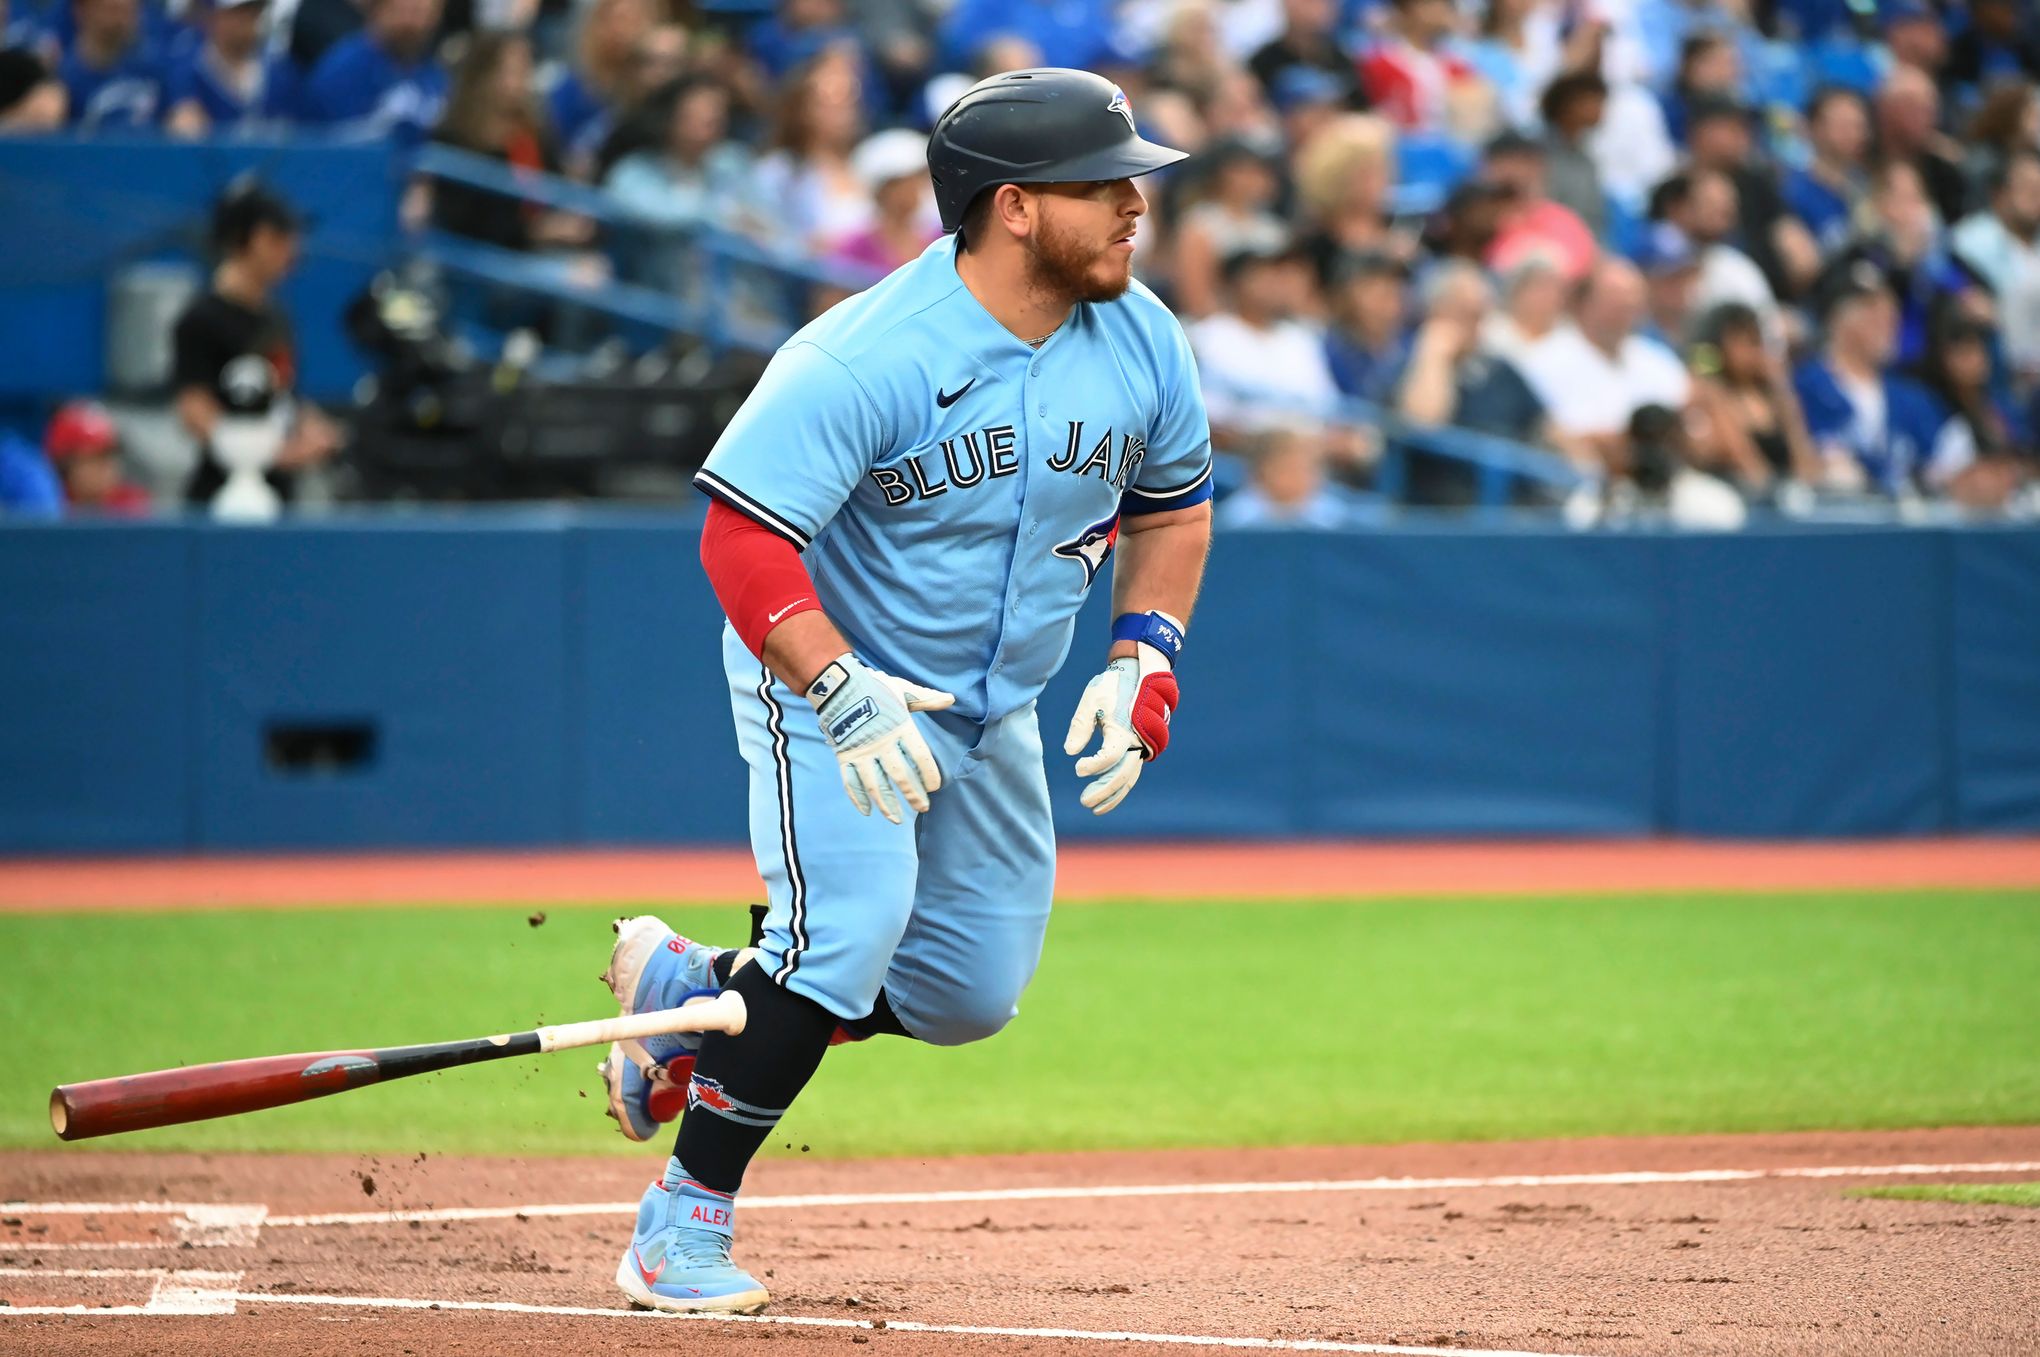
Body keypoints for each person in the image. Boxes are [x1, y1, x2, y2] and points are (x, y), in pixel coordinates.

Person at [594, 68, 1211, 1317]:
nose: (1137, 203)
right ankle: (679, 1225)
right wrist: (835, 683)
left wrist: (1145, 651)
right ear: (1016, 208)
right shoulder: (865, 352)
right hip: (826, 679)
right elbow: (741, 539)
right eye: (1106, 183)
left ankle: (692, 989)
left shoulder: (1143, 334)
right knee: (846, 933)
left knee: (967, 992)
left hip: (997, 708)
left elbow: (1173, 508)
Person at [173, 184, 343, 507]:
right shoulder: (201, 319)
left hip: (280, 496)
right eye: (275, 238)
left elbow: (284, 393)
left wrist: (314, 430)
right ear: (242, 241)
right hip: (222, 497)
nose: (290, 250)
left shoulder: (277, 317)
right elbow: (194, 409)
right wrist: (271, 455)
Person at [1519, 256, 1692, 474]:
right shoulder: (1542, 360)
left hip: (1664, 477)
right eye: (1615, 298)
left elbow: (1689, 419)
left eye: (1633, 297)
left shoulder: (1656, 358)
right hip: (1575, 483)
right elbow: (1547, 435)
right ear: (1583, 302)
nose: (1627, 305)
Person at [1792, 263, 1948, 495]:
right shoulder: (1803, 387)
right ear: (1837, 318)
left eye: (1890, 309)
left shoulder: (1914, 399)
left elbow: (1942, 468)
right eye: (1871, 309)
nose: (1888, 319)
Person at [1189, 240, 1339, 437]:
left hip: (1306, 449)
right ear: (1235, 283)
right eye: (1261, 274)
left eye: (1276, 275)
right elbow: (1202, 417)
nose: (1273, 283)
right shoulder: (1206, 336)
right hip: (1237, 453)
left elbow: (1327, 407)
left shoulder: (1301, 339)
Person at [1687, 301, 1822, 491]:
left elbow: (1804, 459)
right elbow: (1745, 461)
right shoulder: (1708, 396)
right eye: (1737, 341)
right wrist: (1712, 393)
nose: (1748, 352)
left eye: (1753, 340)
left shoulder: (1775, 397)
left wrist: (1781, 389)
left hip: (1785, 495)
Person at [1916, 311, 2031, 509]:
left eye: (1979, 351)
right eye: (1964, 353)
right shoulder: (1934, 408)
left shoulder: (1999, 405)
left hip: (2012, 498)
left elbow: (2022, 451)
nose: (1975, 361)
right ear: (1943, 360)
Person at [1170, 138, 1288, 320]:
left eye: (1261, 170)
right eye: (1245, 170)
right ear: (1221, 174)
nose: (1256, 178)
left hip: (1269, 328)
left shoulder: (1274, 229)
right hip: (1216, 327)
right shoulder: (1200, 225)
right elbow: (1196, 299)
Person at [301, 0, 448, 142]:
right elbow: (329, 145)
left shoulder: (433, 74)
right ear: (378, 11)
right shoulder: (345, 69)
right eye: (402, 10)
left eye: (420, 13)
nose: (410, 23)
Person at [545, 0, 653, 173]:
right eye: (618, 19)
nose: (624, 31)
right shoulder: (571, 87)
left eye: (634, 21)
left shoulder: (649, 92)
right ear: (599, 25)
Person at [1357, 0, 1490, 138]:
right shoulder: (1378, 63)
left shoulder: (1458, 64)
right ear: (1406, 10)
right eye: (1430, 4)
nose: (1439, 10)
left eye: (1444, 4)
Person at [163, 0, 295, 135]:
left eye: (253, 12)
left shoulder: (279, 70)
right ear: (215, 16)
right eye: (238, 13)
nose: (247, 21)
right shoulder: (188, 70)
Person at [825, 127, 940, 275]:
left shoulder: (939, 239)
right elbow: (833, 295)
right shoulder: (854, 246)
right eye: (904, 183)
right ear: (883, 191)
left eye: (917, 180)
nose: (915, 190)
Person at [1783, 86, 1872, 252]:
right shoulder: (1793, 192)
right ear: (1814, 127)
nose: (1853, 133)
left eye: (1858, 125)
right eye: (1843, 125)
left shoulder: (1869, 185)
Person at [1214, 422, 1351, 527]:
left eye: (1308, 467)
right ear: (1262, 469)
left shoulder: (1336, 519)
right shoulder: (1236, 518)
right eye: (1289, 467)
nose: (1299, 475)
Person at [57, 0, 164, 129]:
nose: (121, 20)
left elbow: (181, 114)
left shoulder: (154, 66)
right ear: (83, 12)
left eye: (128, 11)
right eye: (113, 10)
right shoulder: (64, 77)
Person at [1321, 250, 1410, 402]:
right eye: (1380, 292)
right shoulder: (1328, 347)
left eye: (1395, 289)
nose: (1391, 304)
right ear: (1347, 295)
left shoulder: (1410, 344)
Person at [42, 399, 150, 514]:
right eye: (96, 457)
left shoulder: (132, 505)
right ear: (64, 466)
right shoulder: (48, 505)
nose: (107, 466)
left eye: (111, 455)